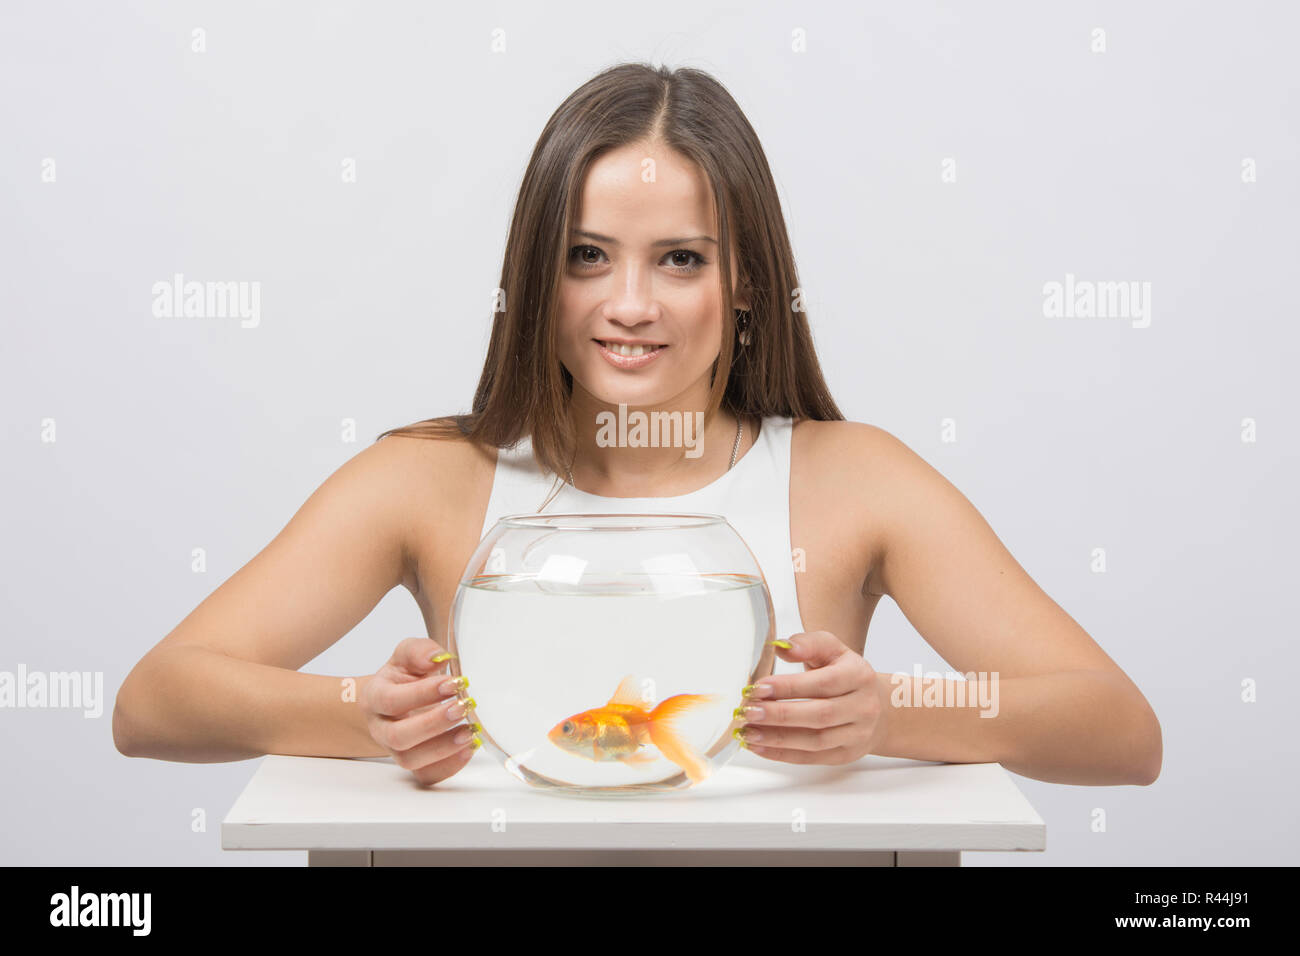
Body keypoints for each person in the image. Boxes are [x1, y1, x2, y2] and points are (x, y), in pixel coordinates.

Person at [113, 62, 1161, 789]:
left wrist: (887, 715)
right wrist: (365, 714)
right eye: (586, 256)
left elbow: (1119, 727)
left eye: (680, 258)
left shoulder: (857, 481)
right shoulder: (426, 481)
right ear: (537, 275)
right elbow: (154, 701)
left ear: (745, 281)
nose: (629, 304)